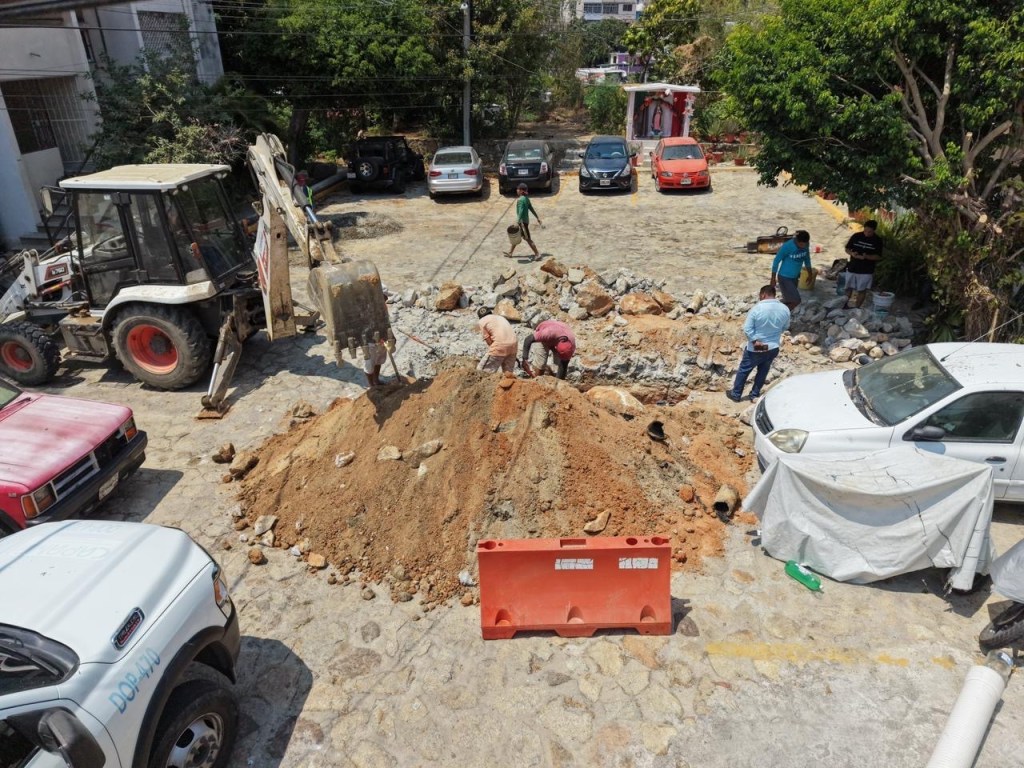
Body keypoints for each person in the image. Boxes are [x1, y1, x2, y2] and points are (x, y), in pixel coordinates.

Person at [726, 284, 791, 403]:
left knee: (744, 369)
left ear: (763, 294)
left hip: (758, 346)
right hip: (773, 347)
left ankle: (736, 394)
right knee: (763, 371)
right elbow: (786, 326)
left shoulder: (757, 308)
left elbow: (747, 329)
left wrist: (755, 341)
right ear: (774, 295)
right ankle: (754, 395)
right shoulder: (785, 309)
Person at [843, 219, 883, 308]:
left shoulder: (877, 240)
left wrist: (866, 257)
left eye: (869, 232)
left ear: (874, 231)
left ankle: (857, 307)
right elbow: (847, 249)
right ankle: (844, 305)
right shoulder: (856, 236)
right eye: (865, 231)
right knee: (848, 288)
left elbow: (879, 256)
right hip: (853, 267)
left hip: (866, 270)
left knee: (862, 290)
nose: (867, 233)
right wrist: (852, 253)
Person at [770, 230, 812, 311]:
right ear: (796, 240)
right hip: (784, 277)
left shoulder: (806, 245)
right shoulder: (787, 246)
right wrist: (773, 278)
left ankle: (780, 310)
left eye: (805, 244)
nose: (803, 246)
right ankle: (780, 313)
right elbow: (776, 261)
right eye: (801, 244)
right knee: (796, 300)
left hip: (795, 277)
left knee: (789, 300)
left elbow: (807, 259)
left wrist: (810, 274)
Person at [505, 183, 542, 260]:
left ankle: (537, 254)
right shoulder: (526, 199)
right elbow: (531, 208)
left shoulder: (520, 200)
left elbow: (521, 211)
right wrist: (537, 217)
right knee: (516, 236)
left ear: (521, 191)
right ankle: (510, 253)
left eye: (518, 189)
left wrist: (517, 222)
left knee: (528, 238)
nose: (516, 190)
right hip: (525, 221)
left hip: (522, 223)